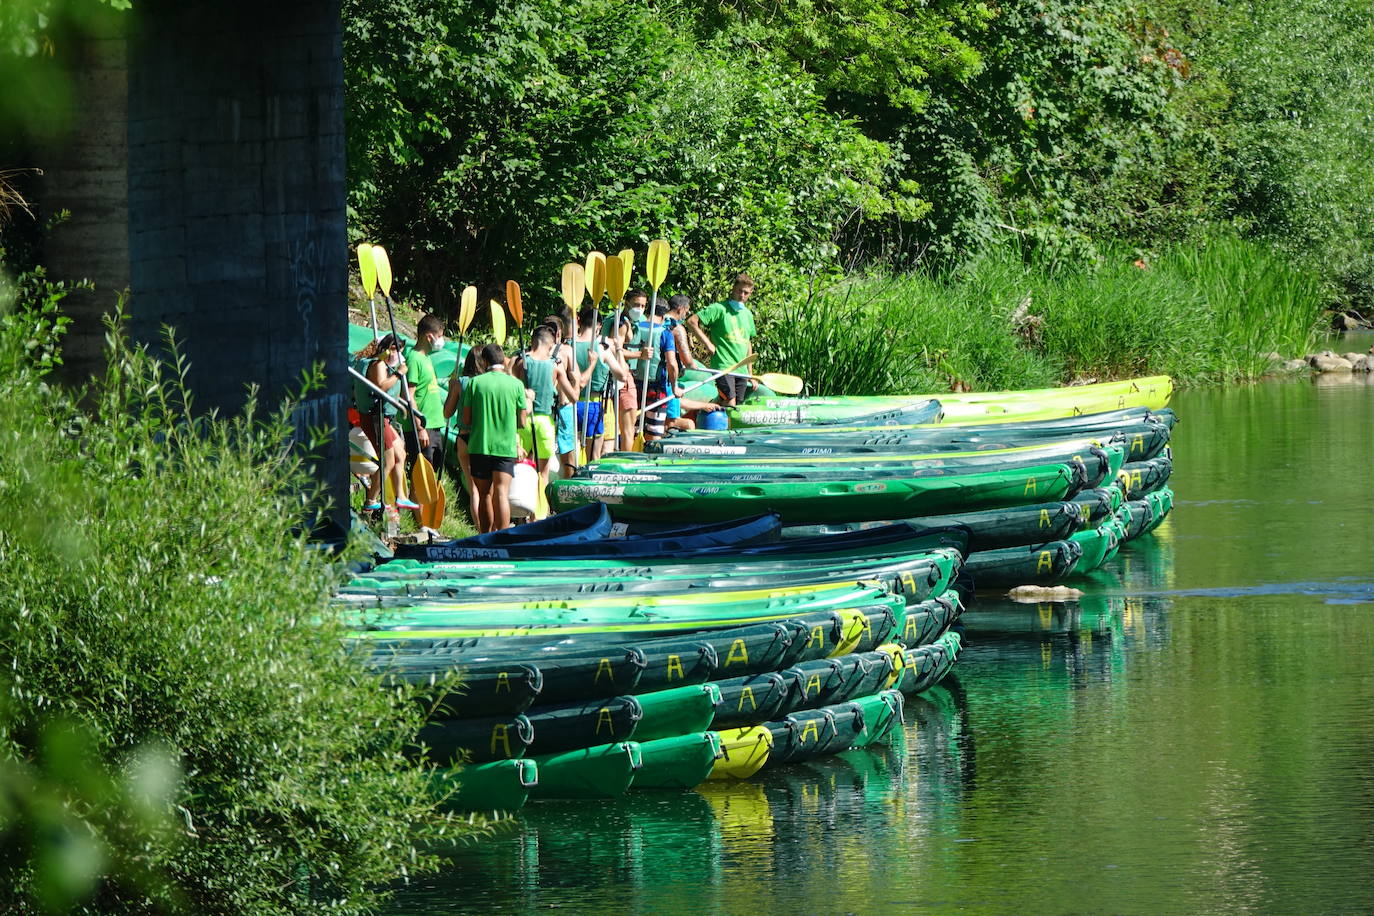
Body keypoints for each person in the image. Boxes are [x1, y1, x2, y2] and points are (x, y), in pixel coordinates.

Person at [463, 343, 528, 533]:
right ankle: (503, 537)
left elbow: (466, 420)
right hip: (505, 447)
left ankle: (485, 537)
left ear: (484, 361)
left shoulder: (475, 383)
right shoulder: (516, 384)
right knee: (501, 493)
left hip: (479, 446)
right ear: (503, 360)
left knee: (484, 495)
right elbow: (522, 422)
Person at [352, 333, 420, 511]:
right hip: (376, 417)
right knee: (387, 461)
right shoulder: (378, 364)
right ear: (389, 349)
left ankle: (401, 496)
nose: (399, 355)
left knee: (401, 454)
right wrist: (399, 374)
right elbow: (380, 387)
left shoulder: (385, 364)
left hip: (384, 418)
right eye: (398, 350)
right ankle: (370, 501)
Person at [515, 325, 578, 492]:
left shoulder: (521, 362)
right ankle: (538, 514)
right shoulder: (555, 366)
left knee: (520, 466)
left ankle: (521, 511)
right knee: (542, 473)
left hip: (522, 421)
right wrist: (575, 380)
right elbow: (574, 397)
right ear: (550, 346)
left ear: (532, 341)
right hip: (544, 422)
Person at [688, 273, 757, 406]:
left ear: (750, 293)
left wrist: (750, 374)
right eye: (739, 291)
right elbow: (692, 321)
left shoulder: (748, 315)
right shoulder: (719, 308)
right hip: (723, 366)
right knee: (730, 401)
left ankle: (706, 410)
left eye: (746, 293)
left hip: (741, 369)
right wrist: (708, 344)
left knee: (738, 405)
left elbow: (748, 342)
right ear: (733, 289)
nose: (742, 295)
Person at [443, 345, 486, 524]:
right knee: (486, 490)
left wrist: (452, 387)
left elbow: (447, 413)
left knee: (474, 489)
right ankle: (489, 530)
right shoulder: (487, 382)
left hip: (463, 438)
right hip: (483, 439)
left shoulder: (460, 383)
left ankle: (479, 530)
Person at [401, 314, 447, 478]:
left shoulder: (426, 358)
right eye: (440, 336)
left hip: (434, 425)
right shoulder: (414, 359)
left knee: (429, 476)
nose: (442, 341)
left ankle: (423, 505)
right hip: (422, 427)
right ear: (429, 336)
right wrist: (419, 427)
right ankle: (415, 504)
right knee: (421, 477)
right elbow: (408, 395)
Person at [615, 289, 650, 451]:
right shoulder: (622, 323)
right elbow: (616, 349)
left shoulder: (633, 322)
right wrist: (639, 354)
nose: (640, 309)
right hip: (624, 378)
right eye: (636, 304)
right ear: (627, 303)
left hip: (626, 377)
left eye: (643, 305)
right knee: (628, 429)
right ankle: (627, 461)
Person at [639, 301, 679, 442]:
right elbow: (672, 364)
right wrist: (675, 387)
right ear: (663, 316)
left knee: (632, 429)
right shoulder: (665, 333)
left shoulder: (634, 327)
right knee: (654, 432)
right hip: (656, 388)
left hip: (632, 385)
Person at [573, 304, 606, 462]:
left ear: (580, 321)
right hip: (593, 405)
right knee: (593, 457)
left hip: (572, 405)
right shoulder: (600, 348)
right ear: (599, 325)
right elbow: (621, 374)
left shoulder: (568, 347)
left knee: (573, 455)